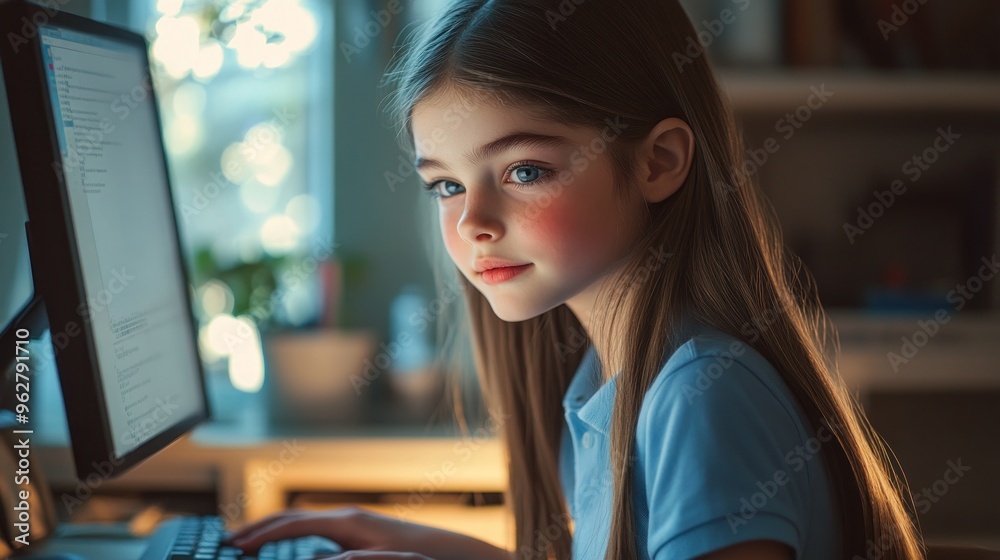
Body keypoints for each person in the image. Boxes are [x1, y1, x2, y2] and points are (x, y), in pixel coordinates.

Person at [228, 0, 928, 558]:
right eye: (444, 186)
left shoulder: (699, 397)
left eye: (524, 171)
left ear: (658, 163)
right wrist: (430, 546)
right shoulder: (603, 383)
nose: (474, 221)